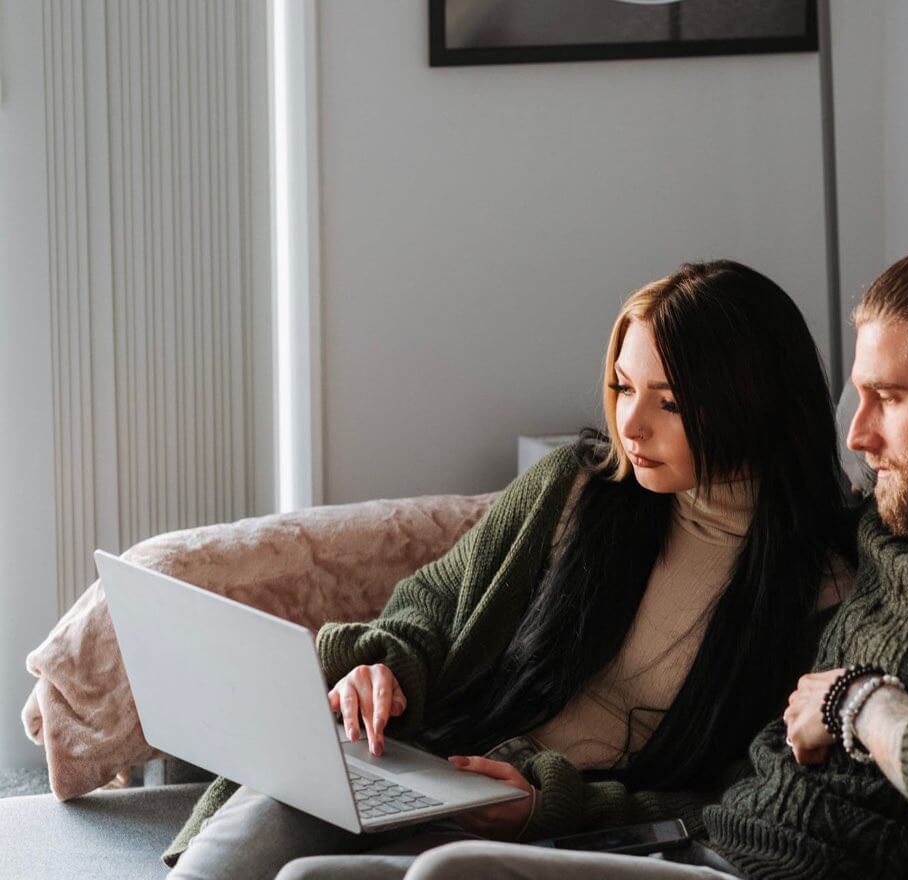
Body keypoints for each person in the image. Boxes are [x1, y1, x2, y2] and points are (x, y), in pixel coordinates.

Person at [404, 185, 908, 878]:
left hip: (767, 864)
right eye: (856, 398)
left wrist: (855, 702)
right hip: (708, 848)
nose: (858, 436)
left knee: (447, 876)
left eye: (888, 399)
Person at [162, 260, 853, 880]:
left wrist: (547, 807)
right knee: (284, 798)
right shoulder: (575, 489)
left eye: (668, 402)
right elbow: (433, 600)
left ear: (754, 403)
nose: (631, 424)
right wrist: (384, 669)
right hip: (438, 764)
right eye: (622, 387)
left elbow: (744, 799)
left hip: (564, 838)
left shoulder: (819, 590)